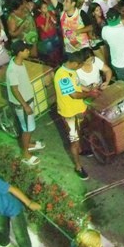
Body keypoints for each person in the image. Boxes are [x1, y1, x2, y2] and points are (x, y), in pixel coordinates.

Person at [53, 50, 98, 180]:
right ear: (73, 63)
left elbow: (78, 85)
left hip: (79, 109)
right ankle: (78, 167)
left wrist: (89, 89)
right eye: (80, 64)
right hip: (69, 114)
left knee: (81, 133)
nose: (81, 66)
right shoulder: (62, 76)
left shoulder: (72, 71)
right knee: (74, 140)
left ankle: (81, 150)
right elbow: (74, 95)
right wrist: (90, 94)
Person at [6, 41, 45, 166]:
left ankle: (29, 145)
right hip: (23, 105)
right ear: (19, 52)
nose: (28, 51)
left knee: (29, 127)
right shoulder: (12, 70)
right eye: (26, 50)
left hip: (27, 101)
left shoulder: (20, 62)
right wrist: (25, 105)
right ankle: (26, 154)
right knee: (27, 129)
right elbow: (14, 89)